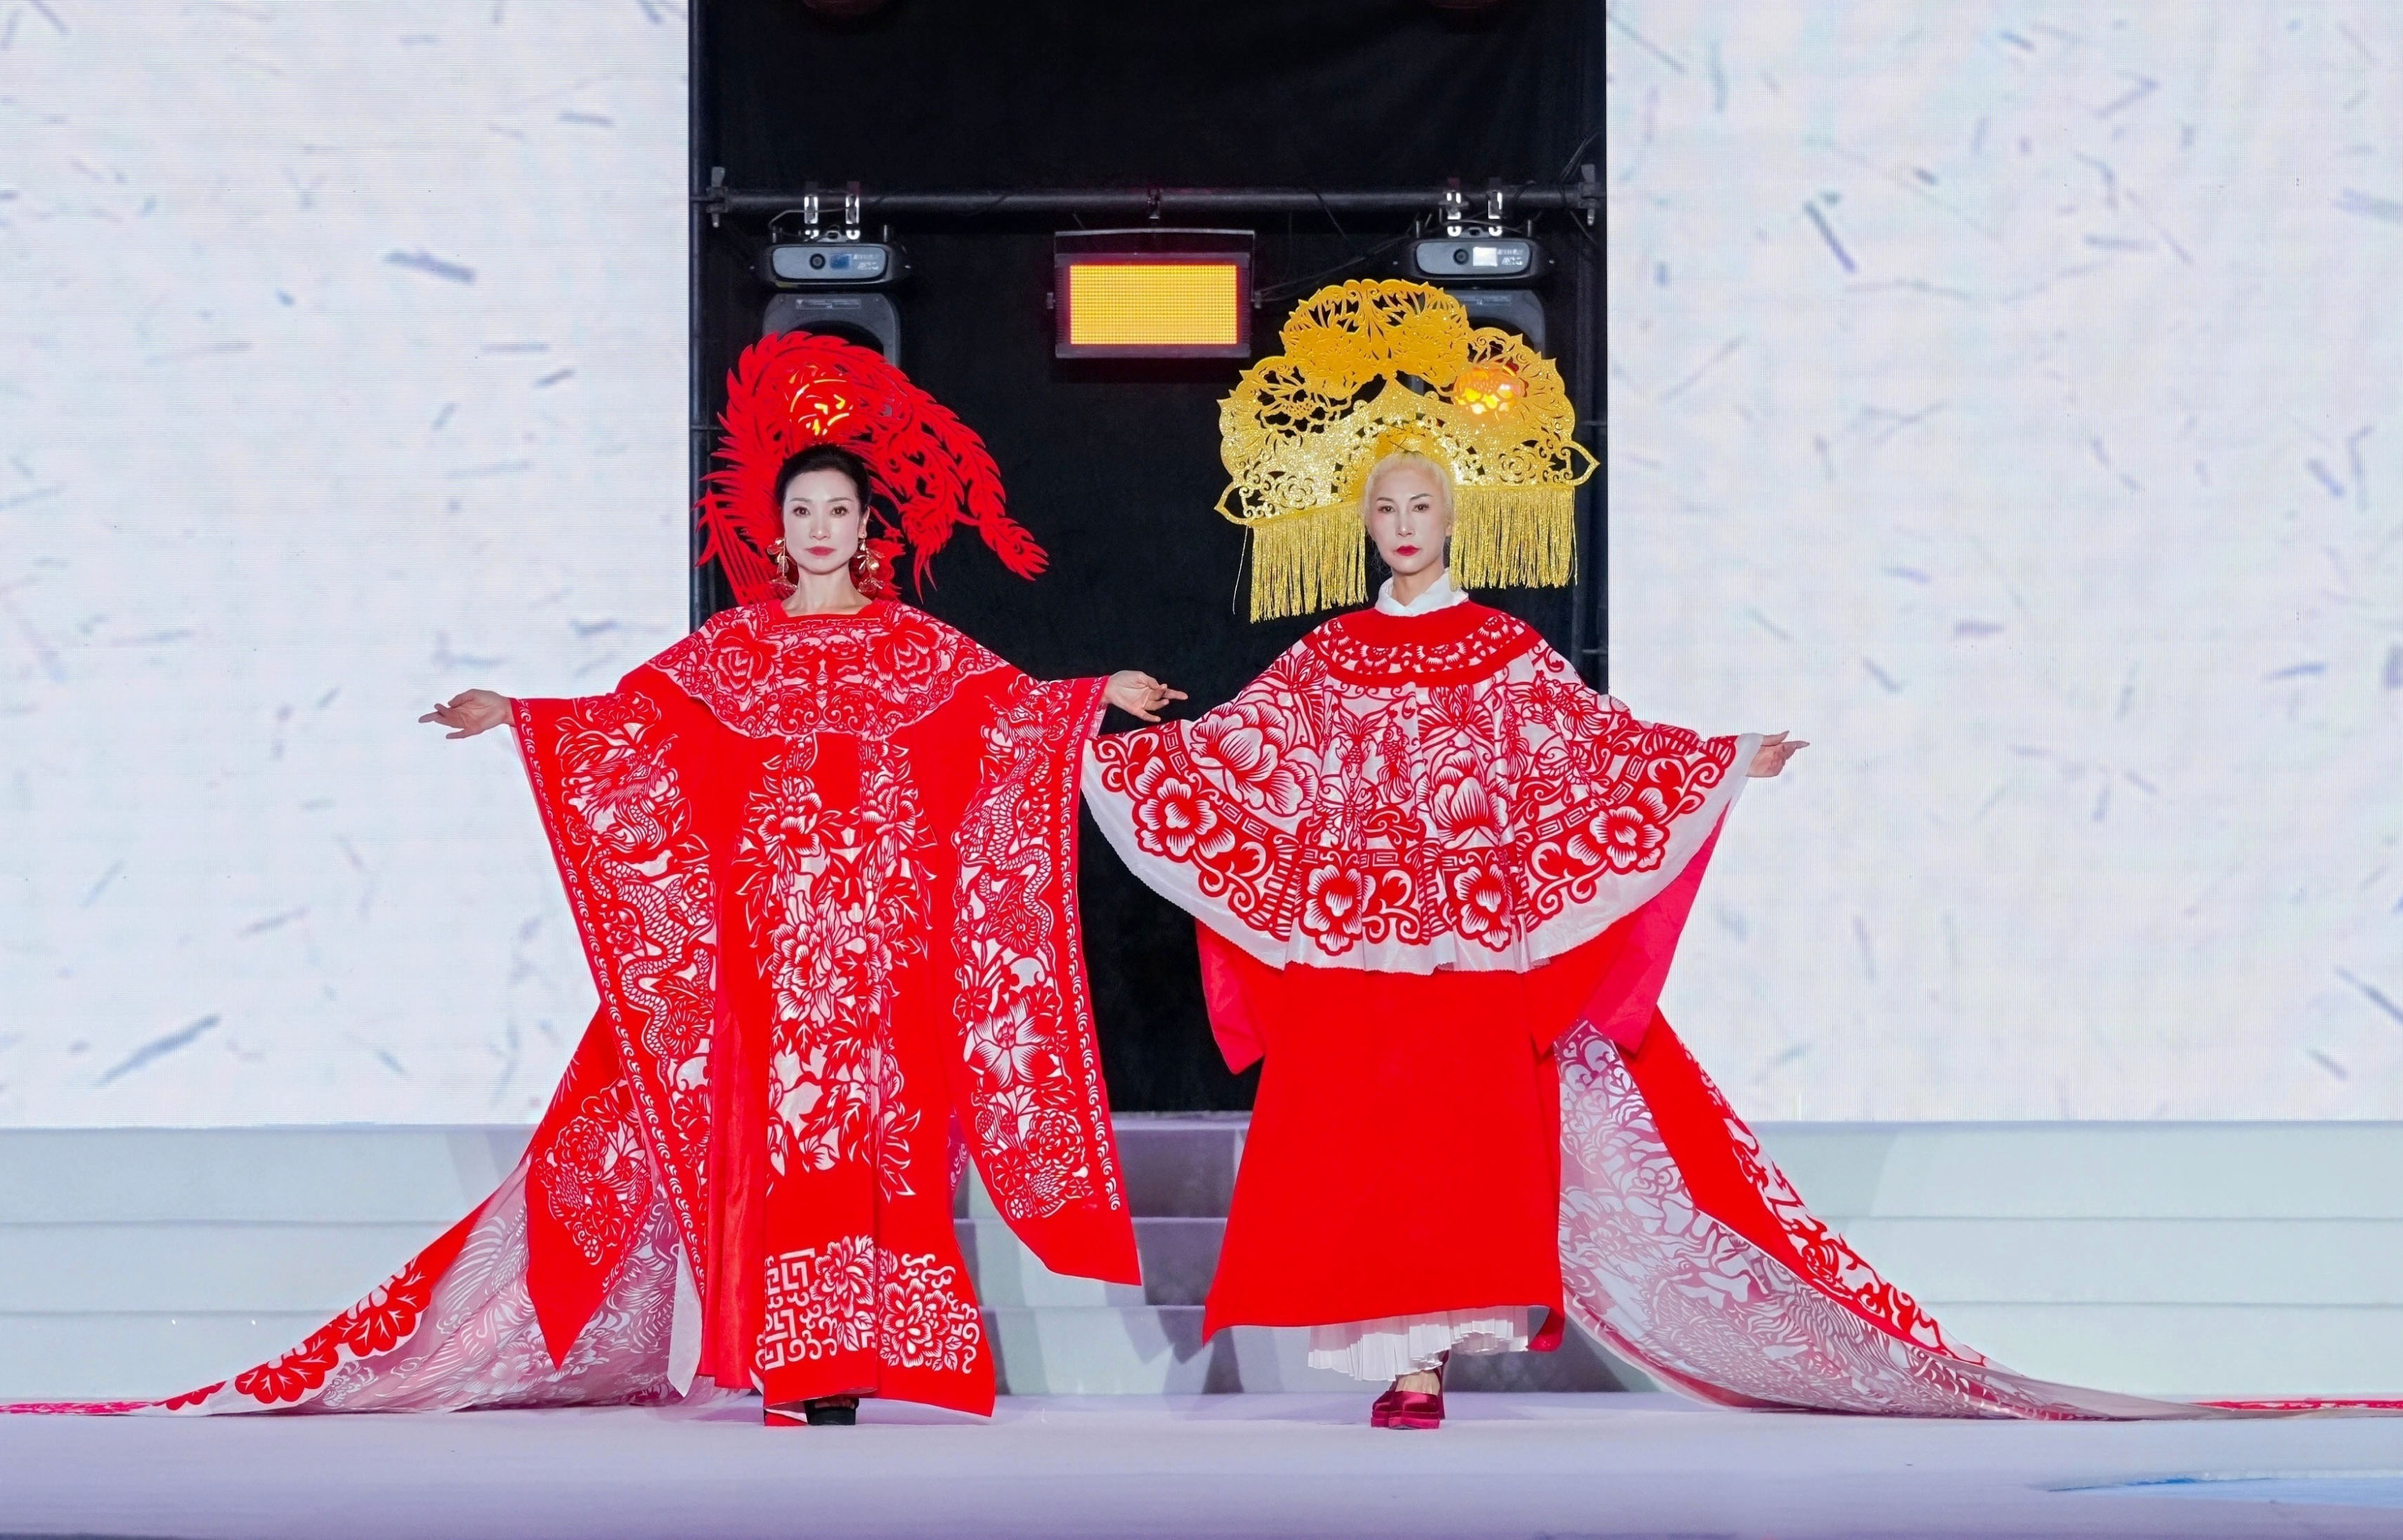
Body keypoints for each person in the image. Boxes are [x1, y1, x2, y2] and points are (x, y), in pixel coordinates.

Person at [1083, 279, 2389, 1428]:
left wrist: (1718, 761)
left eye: (1424, 501)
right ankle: (1397, 1361)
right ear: (1363, 524)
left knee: (1456, 1155)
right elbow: (1241, 754)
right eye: (1387, 505)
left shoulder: (1506, 652)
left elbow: (1599, 750)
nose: (1406, 521)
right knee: (1370, 1151)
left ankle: (1428, 1363)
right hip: (1367, 945)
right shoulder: (1329, 656)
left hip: (1472, 939)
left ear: (1456, 517)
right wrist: (1098, 722)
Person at [46, 332, 1181, 1424]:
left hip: (883, 953)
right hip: (773, 952)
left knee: (884, 1145)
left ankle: (871, 1350)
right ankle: (802, 1361)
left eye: (839, 510)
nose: (821, 528)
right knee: (789, 1147)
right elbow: (634, 728)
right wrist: (520, 714)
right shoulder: (730, 650)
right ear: (777, 533)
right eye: (802, 511)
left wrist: (1098, 695)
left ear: (866, 529)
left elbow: (1011, 715)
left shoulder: (920, 648)